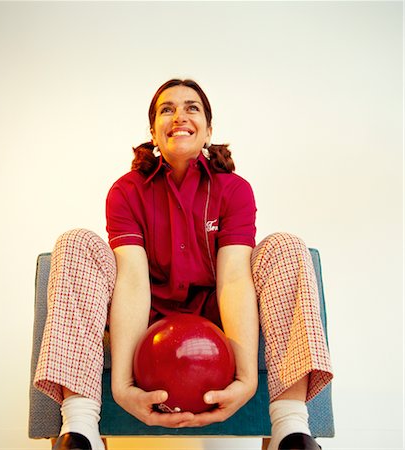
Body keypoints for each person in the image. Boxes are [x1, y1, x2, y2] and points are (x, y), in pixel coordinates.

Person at [34, 79, 333, 450]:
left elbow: (235, 278)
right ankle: (80, 428)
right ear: (153, 133)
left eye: (192, 108)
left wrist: (246, 378)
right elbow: (131, 279)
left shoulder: (234, 189)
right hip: (147, 316)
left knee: (285, 245)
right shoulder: (126, 191)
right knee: (75, 240)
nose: (180, 116)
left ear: (208, 130)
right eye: (167, 109)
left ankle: (290, 430)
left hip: (217, 315)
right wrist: (123, 384)